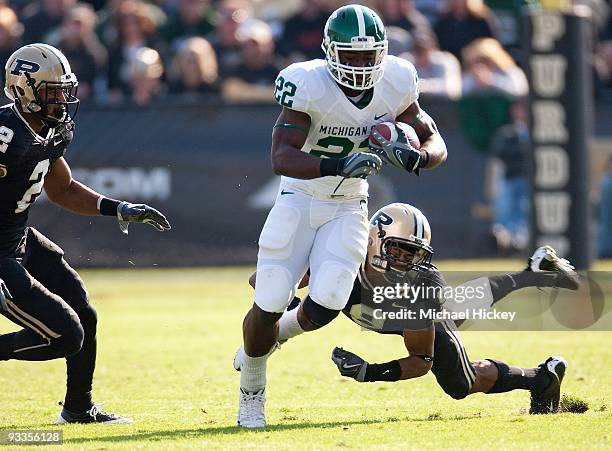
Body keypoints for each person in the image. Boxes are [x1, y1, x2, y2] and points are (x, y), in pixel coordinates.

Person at [233, 4, 447, 428]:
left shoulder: (398, 80)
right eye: (351, 56)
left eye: (369, 57)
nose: (361, 65)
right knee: (272, 298)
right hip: (300, 197)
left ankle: (275, 339)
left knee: (329, 298)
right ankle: (251, 390)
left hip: (349, 204)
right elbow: (282, 157)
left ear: (383, 53)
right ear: (331, 52)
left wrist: (417, 157)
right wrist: (337, 165)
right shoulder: (308, 83)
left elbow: (435, 140)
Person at [264, 203, 579, 415]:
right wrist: (285, 304)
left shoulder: (420, 289)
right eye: (397, 250)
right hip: (401, 315)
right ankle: (533, 273)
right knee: (461, 304)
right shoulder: (342, 261)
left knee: (460, 384)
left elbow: (420, 361)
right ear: (374, 240)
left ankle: (542, 378)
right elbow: (274, 283)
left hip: (415, 320)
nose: (405, 261)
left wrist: (369, 372)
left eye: (413, 253)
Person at [0, 43, 170, 424]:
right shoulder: (5, 135)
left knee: (84, 314)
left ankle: (78, 408)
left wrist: (118, 208)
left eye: (64, 90)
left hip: (19, 239)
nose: (62, 100)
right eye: (52, 92)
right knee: (65, 335)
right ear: (25, 90)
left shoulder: (48, 131)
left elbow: (62, 189)